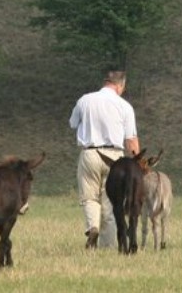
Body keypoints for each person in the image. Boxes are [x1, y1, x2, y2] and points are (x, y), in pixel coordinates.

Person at [68, 70, 140, 250]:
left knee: (90, 197)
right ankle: (107, 246)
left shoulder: (85, 100)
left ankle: (93, 227)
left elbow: (73, 123)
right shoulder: (125, 106)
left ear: (105, 82)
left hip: (90, 154)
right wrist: (137, 165)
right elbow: (131, 141)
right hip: (115, 159)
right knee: (112, 202)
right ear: (120, 85)